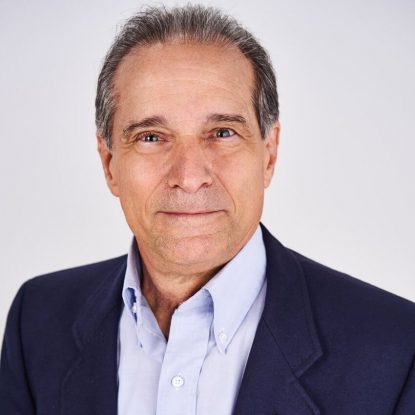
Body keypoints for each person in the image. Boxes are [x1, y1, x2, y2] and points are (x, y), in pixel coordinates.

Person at [1, 4, 414, 414]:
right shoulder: (38, 321)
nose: (189, 176)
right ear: (109, 164)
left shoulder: (396, 347)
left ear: (269, 155)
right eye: (151, 137)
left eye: (223, 132)